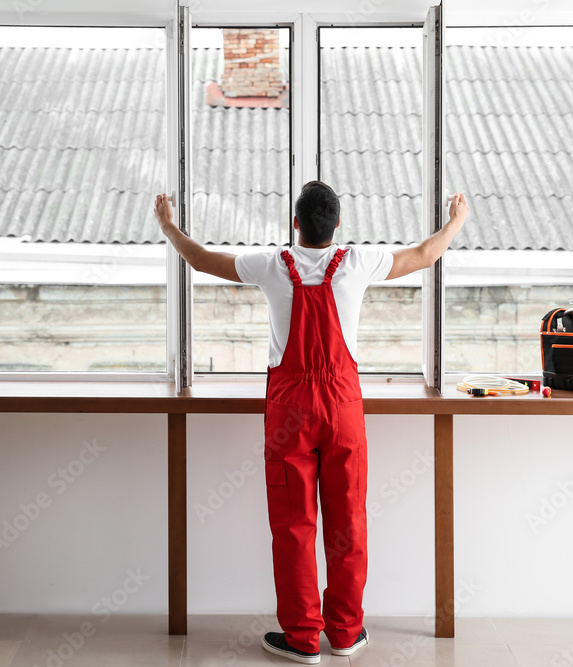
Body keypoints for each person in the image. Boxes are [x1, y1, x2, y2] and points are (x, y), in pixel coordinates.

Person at [154, 182, 469, 664]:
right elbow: (425, 255)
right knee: (348, 523)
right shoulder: (359, 264)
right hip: (343, 408)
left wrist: (168, 226)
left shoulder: (271, 265)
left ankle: (302, 638)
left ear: (296, 223)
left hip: (290, 413)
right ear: (337, 226)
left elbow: (201, 259)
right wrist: (456, 222)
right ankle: (345, 633)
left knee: (293, 526)